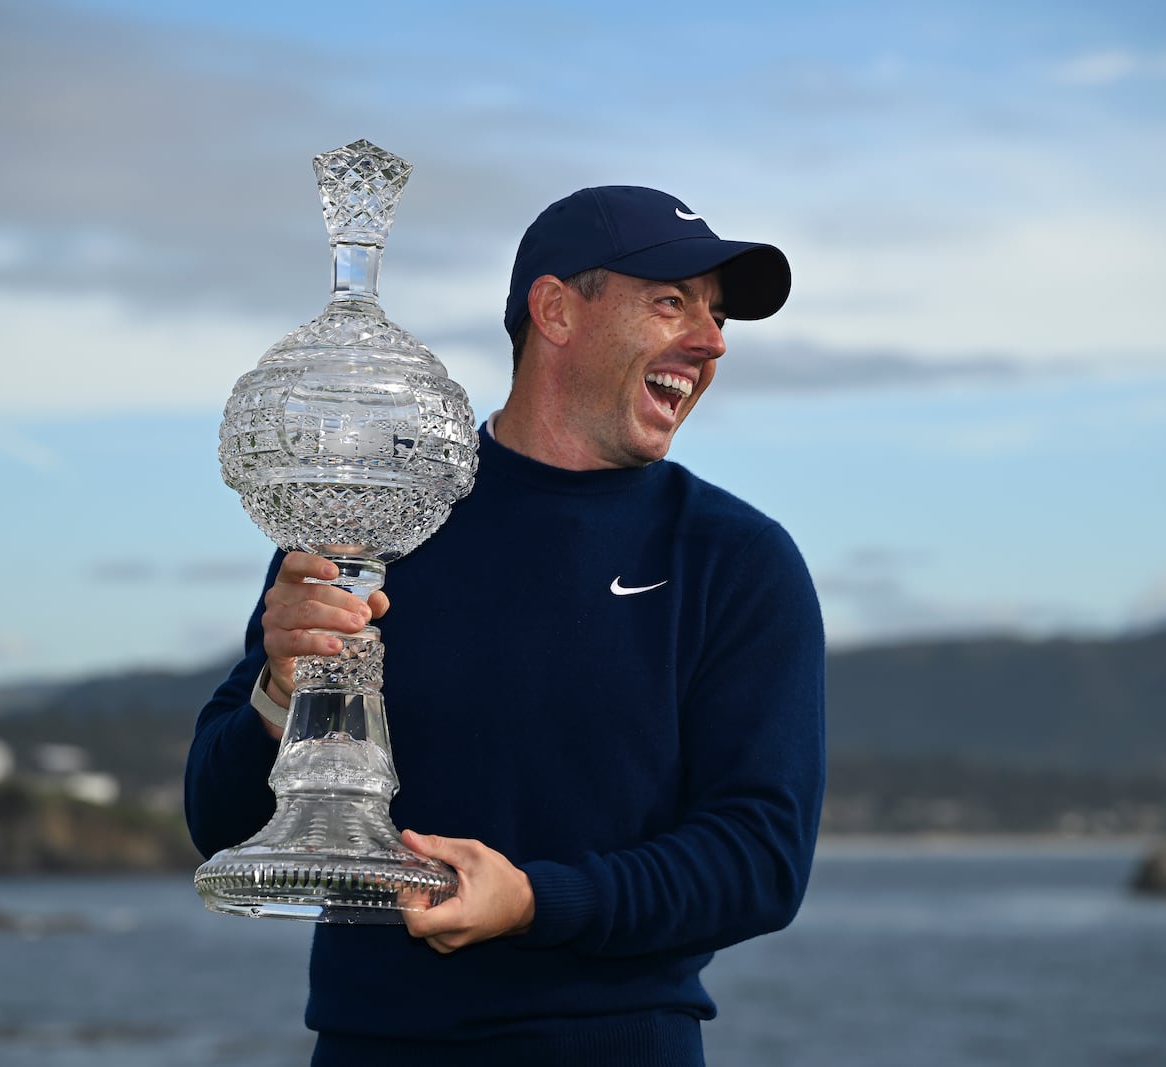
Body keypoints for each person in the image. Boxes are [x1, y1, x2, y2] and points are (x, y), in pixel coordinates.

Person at [185, 185, 826, 1065]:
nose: (711, 340)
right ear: (556, 309)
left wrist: (537, 899)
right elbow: (217, 822)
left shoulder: (738, 560)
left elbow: (761, 859)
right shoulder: (380, 520)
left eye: (717, 315)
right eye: (672, 301)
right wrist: (278, 690)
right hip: (371, 1047)